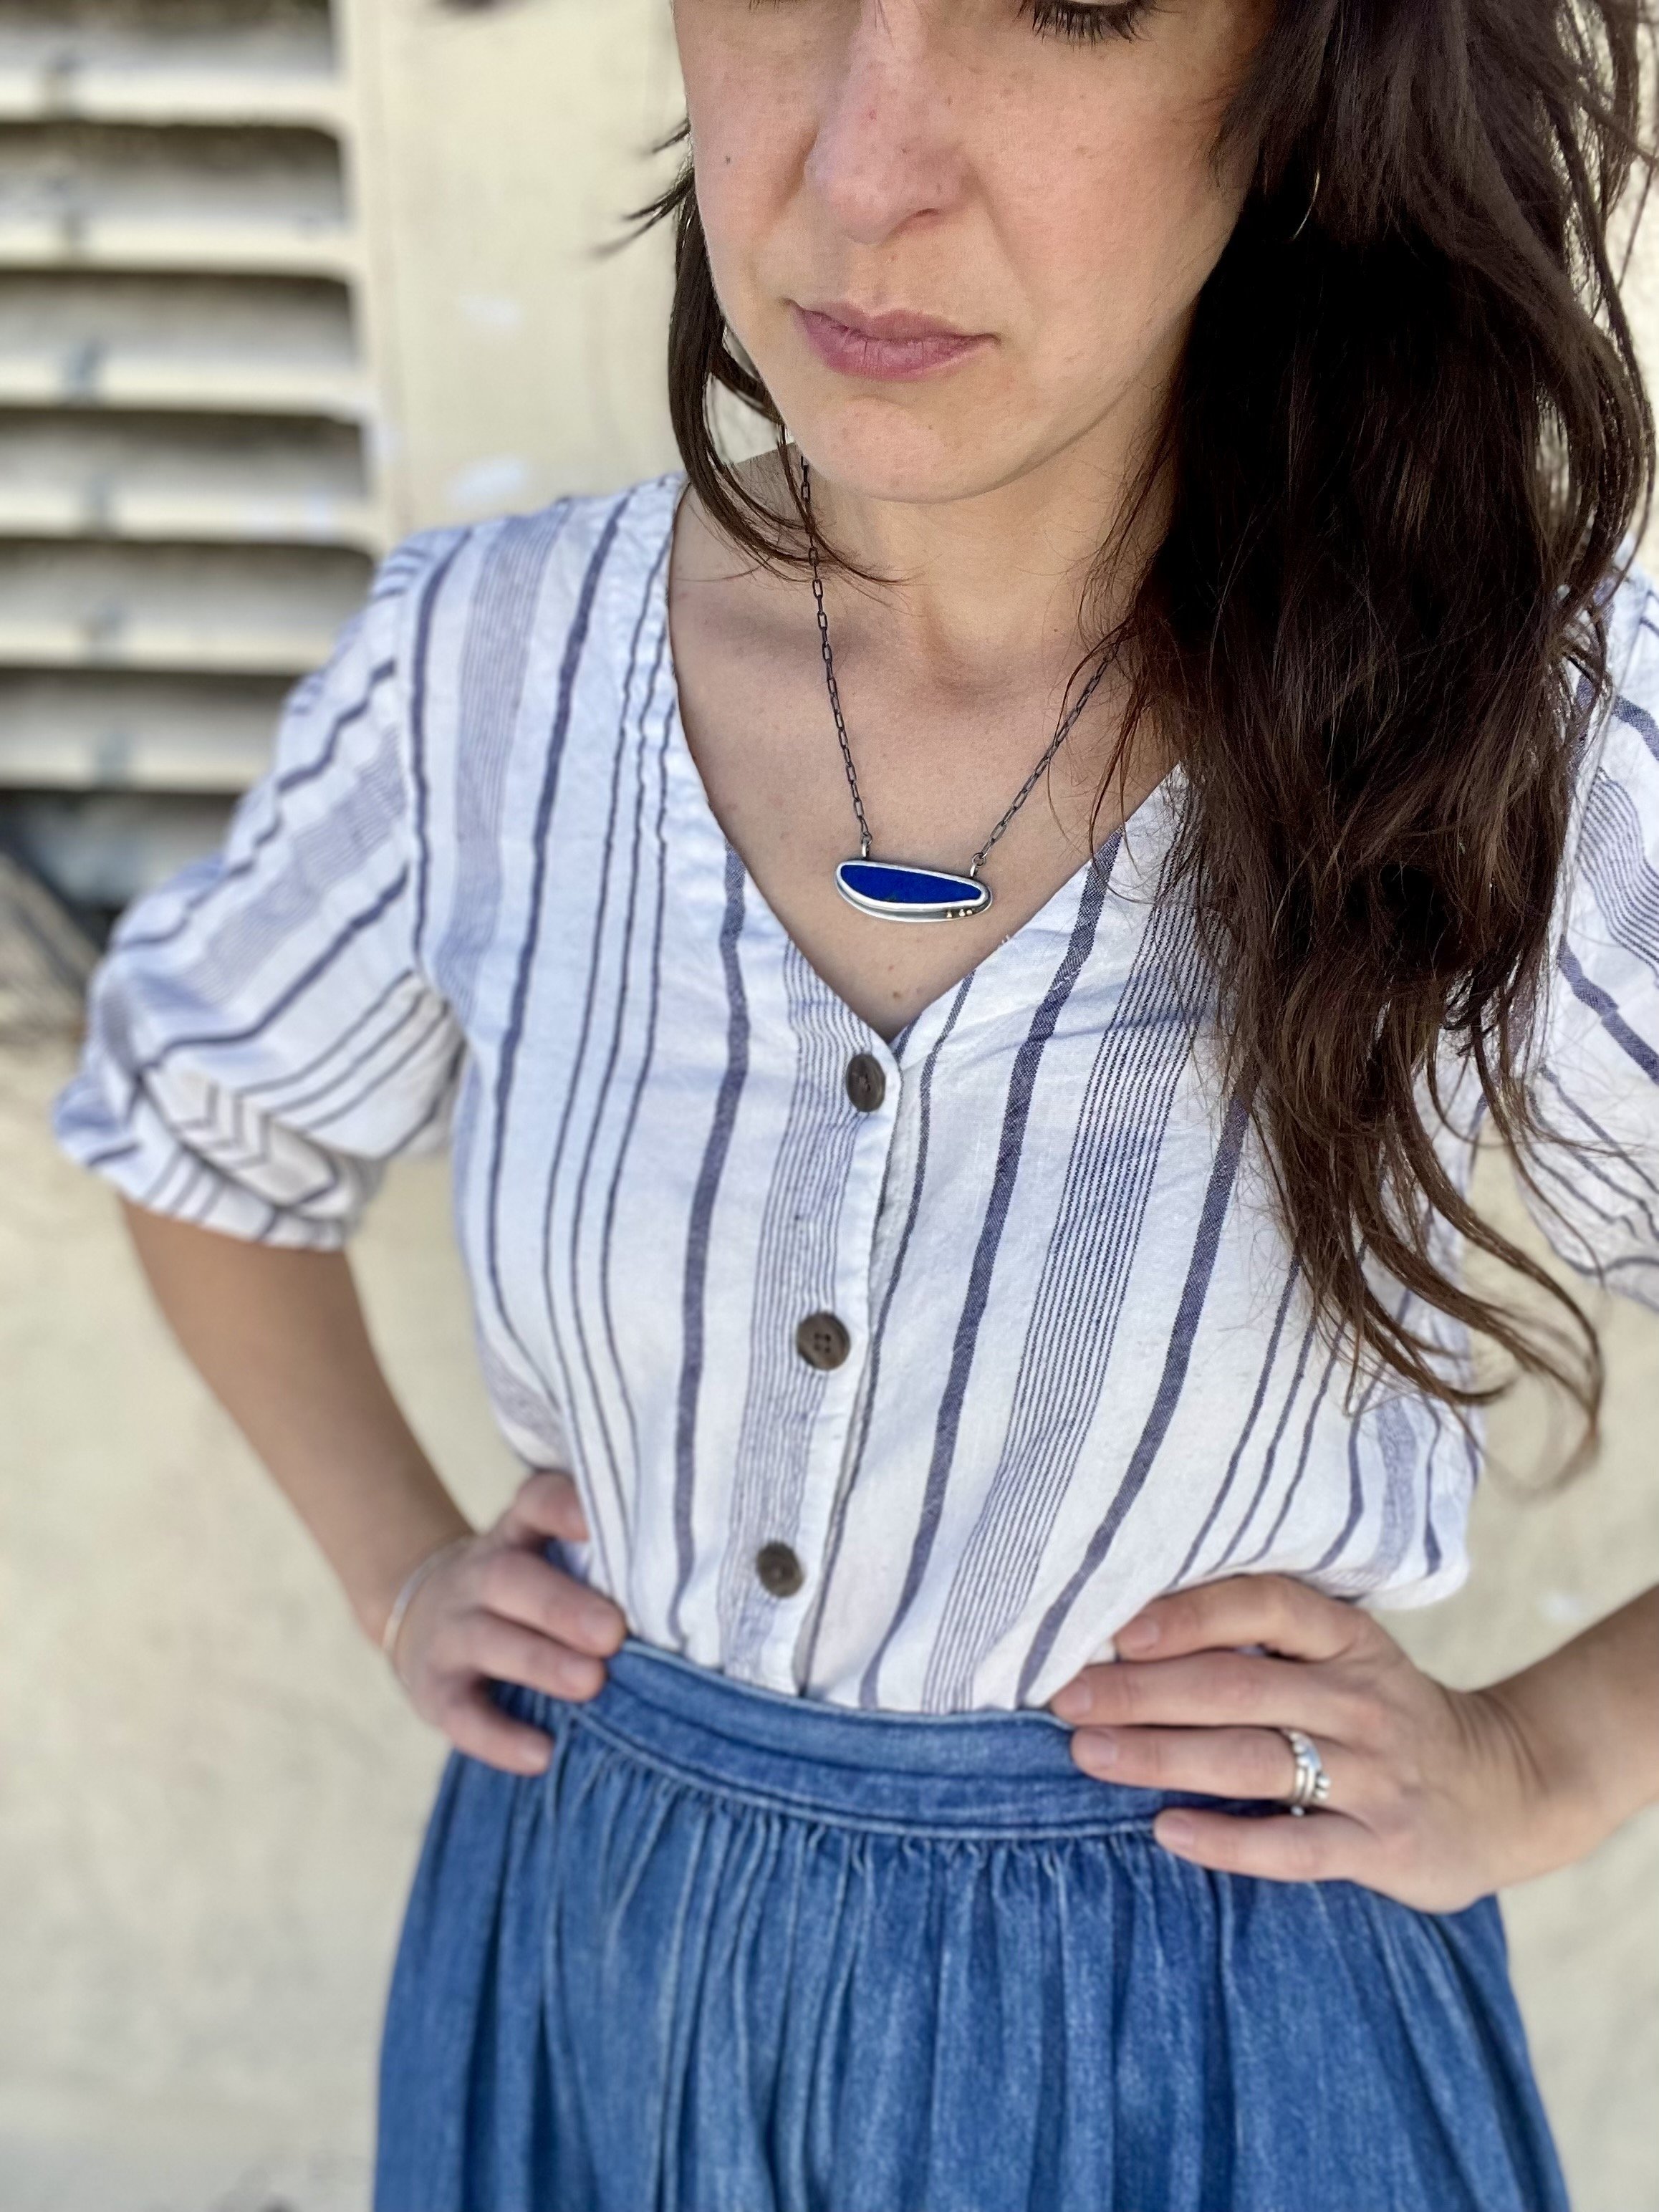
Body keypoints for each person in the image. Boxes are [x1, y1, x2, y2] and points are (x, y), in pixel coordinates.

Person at [50, 1, 1659, 2205]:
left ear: (1305, 77)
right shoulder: (494, 672)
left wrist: (1547, 1757)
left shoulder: (1514, 737)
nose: (864, 168)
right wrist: (401, 1569)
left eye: (1070, 7)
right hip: (600, 1973)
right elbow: (196, 1122)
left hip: (1192, 2046)